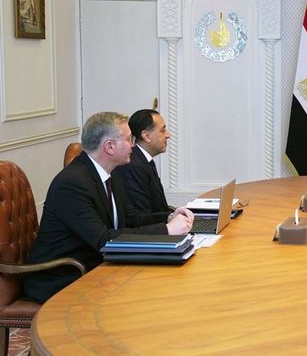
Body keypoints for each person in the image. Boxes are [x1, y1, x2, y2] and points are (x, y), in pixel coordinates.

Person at [22, 112, 194, 304]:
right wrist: (167, 230)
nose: (133, 145)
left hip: (98, 266)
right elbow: (104, 239)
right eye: (129, 139)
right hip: (63, 276)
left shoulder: (110, 173)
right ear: (109, 147)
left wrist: (167, 218)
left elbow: (133, 219)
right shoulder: (72, 184)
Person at [113, 109, 174, 219]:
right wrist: (170, 218)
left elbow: (159, 207)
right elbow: (141, 215)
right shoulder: (133, 165)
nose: (168, 135)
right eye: (163, 131)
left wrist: (176, 214)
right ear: (146, 136)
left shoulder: (144, 160)